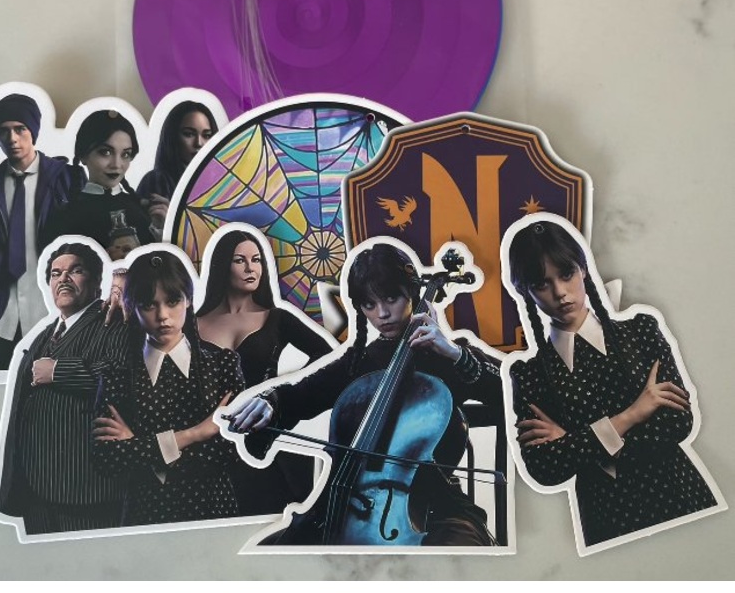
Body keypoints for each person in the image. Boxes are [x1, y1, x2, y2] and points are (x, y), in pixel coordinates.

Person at [228, 241, 502, 546]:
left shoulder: (446, 356)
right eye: (369, 304)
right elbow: (301, 395)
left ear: (412, 294)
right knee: (272, 551)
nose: (382, 313)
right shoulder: (359, 363)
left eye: (391, 298)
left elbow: (514, 393)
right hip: (347, 502)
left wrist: (455, 355)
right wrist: (270, 401)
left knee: (457, 551)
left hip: (435, 505)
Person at [504, 216, 719, 549]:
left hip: (680, 496)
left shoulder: (641, 331)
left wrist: (573, 441)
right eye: (542, 284)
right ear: (525, 291)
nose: (560, 292)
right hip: (608, 519)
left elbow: (677, 423)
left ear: (583, 269)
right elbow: (544, 467)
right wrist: (633, 414)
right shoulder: (530, 374)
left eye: (566, 274)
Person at [92, 250, 242, 526]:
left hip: (213, 511)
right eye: (148, 304)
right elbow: (106, 459)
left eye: (172, 301)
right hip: (145, 516)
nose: (162, 315)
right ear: (132, 307)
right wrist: (196, 433)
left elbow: (230, 452)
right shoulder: (117, 374)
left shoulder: (222, 365)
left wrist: (137, 446)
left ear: (188, 300)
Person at [196, 228, 336, 515]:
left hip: (263, 441)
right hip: (203, 447)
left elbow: (329, 358)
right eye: (240, 260)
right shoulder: (189, 323)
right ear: (222, 265)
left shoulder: (277, 318)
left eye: (256, 259)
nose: (251, 268)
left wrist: (280, 391)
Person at [0, 242, 129, 534]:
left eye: (75, 271)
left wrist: (58, 372)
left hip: (87, 491)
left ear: (97, 281)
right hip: (35, 492)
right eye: (56, 274)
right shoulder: (45, 334)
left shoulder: (113, 320)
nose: (63, 279)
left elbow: (120, 378)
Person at [0, 92, 77, 372]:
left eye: (20, 129)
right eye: (3, 131)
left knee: (53, 391)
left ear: (33, 130)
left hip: (52, 313)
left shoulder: (65, 178)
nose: (12, 138)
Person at [45, 109, 163, 259]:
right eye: (106, 152)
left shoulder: (143, 211)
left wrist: (163, 229)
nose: (117, 164)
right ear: (83, 155)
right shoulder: (63, 217)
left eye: (125, 154)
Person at [137, 100, 218, 202]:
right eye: (189, 134)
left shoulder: (219, 182)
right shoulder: (157, 180)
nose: (199, 143)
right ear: (172, 137)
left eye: (207, 135)